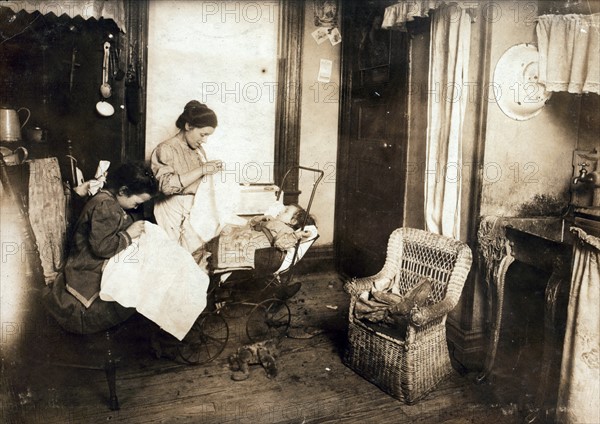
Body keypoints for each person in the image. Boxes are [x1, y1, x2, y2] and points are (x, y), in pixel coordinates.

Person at [42, 161, 159, 335]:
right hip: (87, 264)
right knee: (139, 280)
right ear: (123, 191)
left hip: (94, 257)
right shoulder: (106, 206)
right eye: (136, 203)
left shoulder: (107, 199)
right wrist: (128, 234)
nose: (137, 207)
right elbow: (102, 248)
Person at [150, 100, 224, 253]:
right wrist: (202, 170)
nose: (205, 140)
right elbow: (166, 186)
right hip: (172, 209)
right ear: (188, 126)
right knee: (175, 256)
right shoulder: (165, 148)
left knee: (196, 256)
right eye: (203, 134)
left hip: (193, 208)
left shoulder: (197, 150)